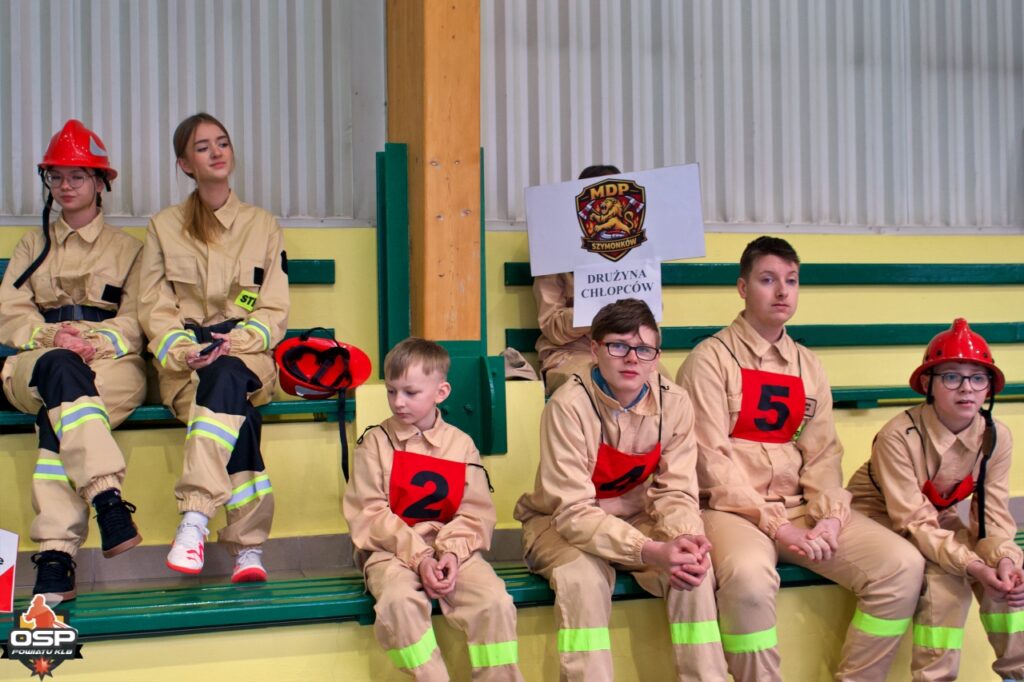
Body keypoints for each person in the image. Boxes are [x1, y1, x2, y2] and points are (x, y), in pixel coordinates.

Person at [676, 236, 925, 681]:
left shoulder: (808, 365)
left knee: (902, 565)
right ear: (742, 288)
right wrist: (778, 527)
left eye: (791, 281)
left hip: (801, 509)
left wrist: (828, 518)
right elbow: (710, 462)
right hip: (733, 514)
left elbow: (824, 454)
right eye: (767, 280)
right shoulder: (709, 360)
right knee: (749, 578)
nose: (782, 292)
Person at [515, 298, 728, 682]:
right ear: (595, 350)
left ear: (656, 357)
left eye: (644, 349)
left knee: (692, 570)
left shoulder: (675, 403)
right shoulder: (568, 406)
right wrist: (649, 550)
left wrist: (683, 537)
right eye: (618, 346)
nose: (631, 358)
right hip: (557, 524)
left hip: (635, 517)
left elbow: (677, 492)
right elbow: (573, 513)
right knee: (583, 580)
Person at [138, 113, 289, 583]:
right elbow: (153, 306)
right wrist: (184, 350)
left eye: (222, 142)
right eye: (202, 147)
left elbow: (274, 308)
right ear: (185, 164)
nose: (217, 152)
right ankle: (248, 548)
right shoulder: (164, 226)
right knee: (238, 415)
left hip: (247, 356)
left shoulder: (262, 225)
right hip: (187, 364)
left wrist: (237, 340)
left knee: (228, 377)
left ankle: (195, 517)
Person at [0, 120, 145, 601]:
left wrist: (96, 341)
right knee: (61, 370)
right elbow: (9, 312)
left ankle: (56, 558)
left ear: (101, 183)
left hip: (110, 364)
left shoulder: (129, 250)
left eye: (78, 176)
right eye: (56, 176)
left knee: (59, 414)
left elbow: (139, 317)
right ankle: (107, 499)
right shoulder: (31, 246)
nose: (65, 186)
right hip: (40, 360)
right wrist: (51, 335)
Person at [848, 319, 1023, 680]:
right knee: (946, 578)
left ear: (989, 387)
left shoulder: (996, 437)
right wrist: (971, 565)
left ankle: (1017, 673)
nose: (967, 388)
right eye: (952, 377)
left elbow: (992, 519)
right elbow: (912, 521)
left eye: (978, 378)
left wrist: (1005, 558)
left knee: (1008, 579)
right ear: (928, 384)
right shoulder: (898, 436)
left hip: (935, 518)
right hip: (879, 518)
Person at [343, 338, 522, 681]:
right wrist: (421, 557)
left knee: (494, 601)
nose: (398, 401)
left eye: (410, 392)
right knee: (398, 602)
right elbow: (369, 513)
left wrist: (451, 553)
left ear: (441, 392)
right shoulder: (374, 444)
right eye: (391, 391)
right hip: (390, 552)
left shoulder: (461, 445)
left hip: (453, 550)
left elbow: (475, 513)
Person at [533, 164, 620, 396]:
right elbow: (552, 327)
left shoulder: (637, 254)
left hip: (625, 351)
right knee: (593, 384)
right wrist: (600, 309)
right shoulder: (554, 253)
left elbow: (651, 322)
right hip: (571, 353)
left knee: (662, 385)